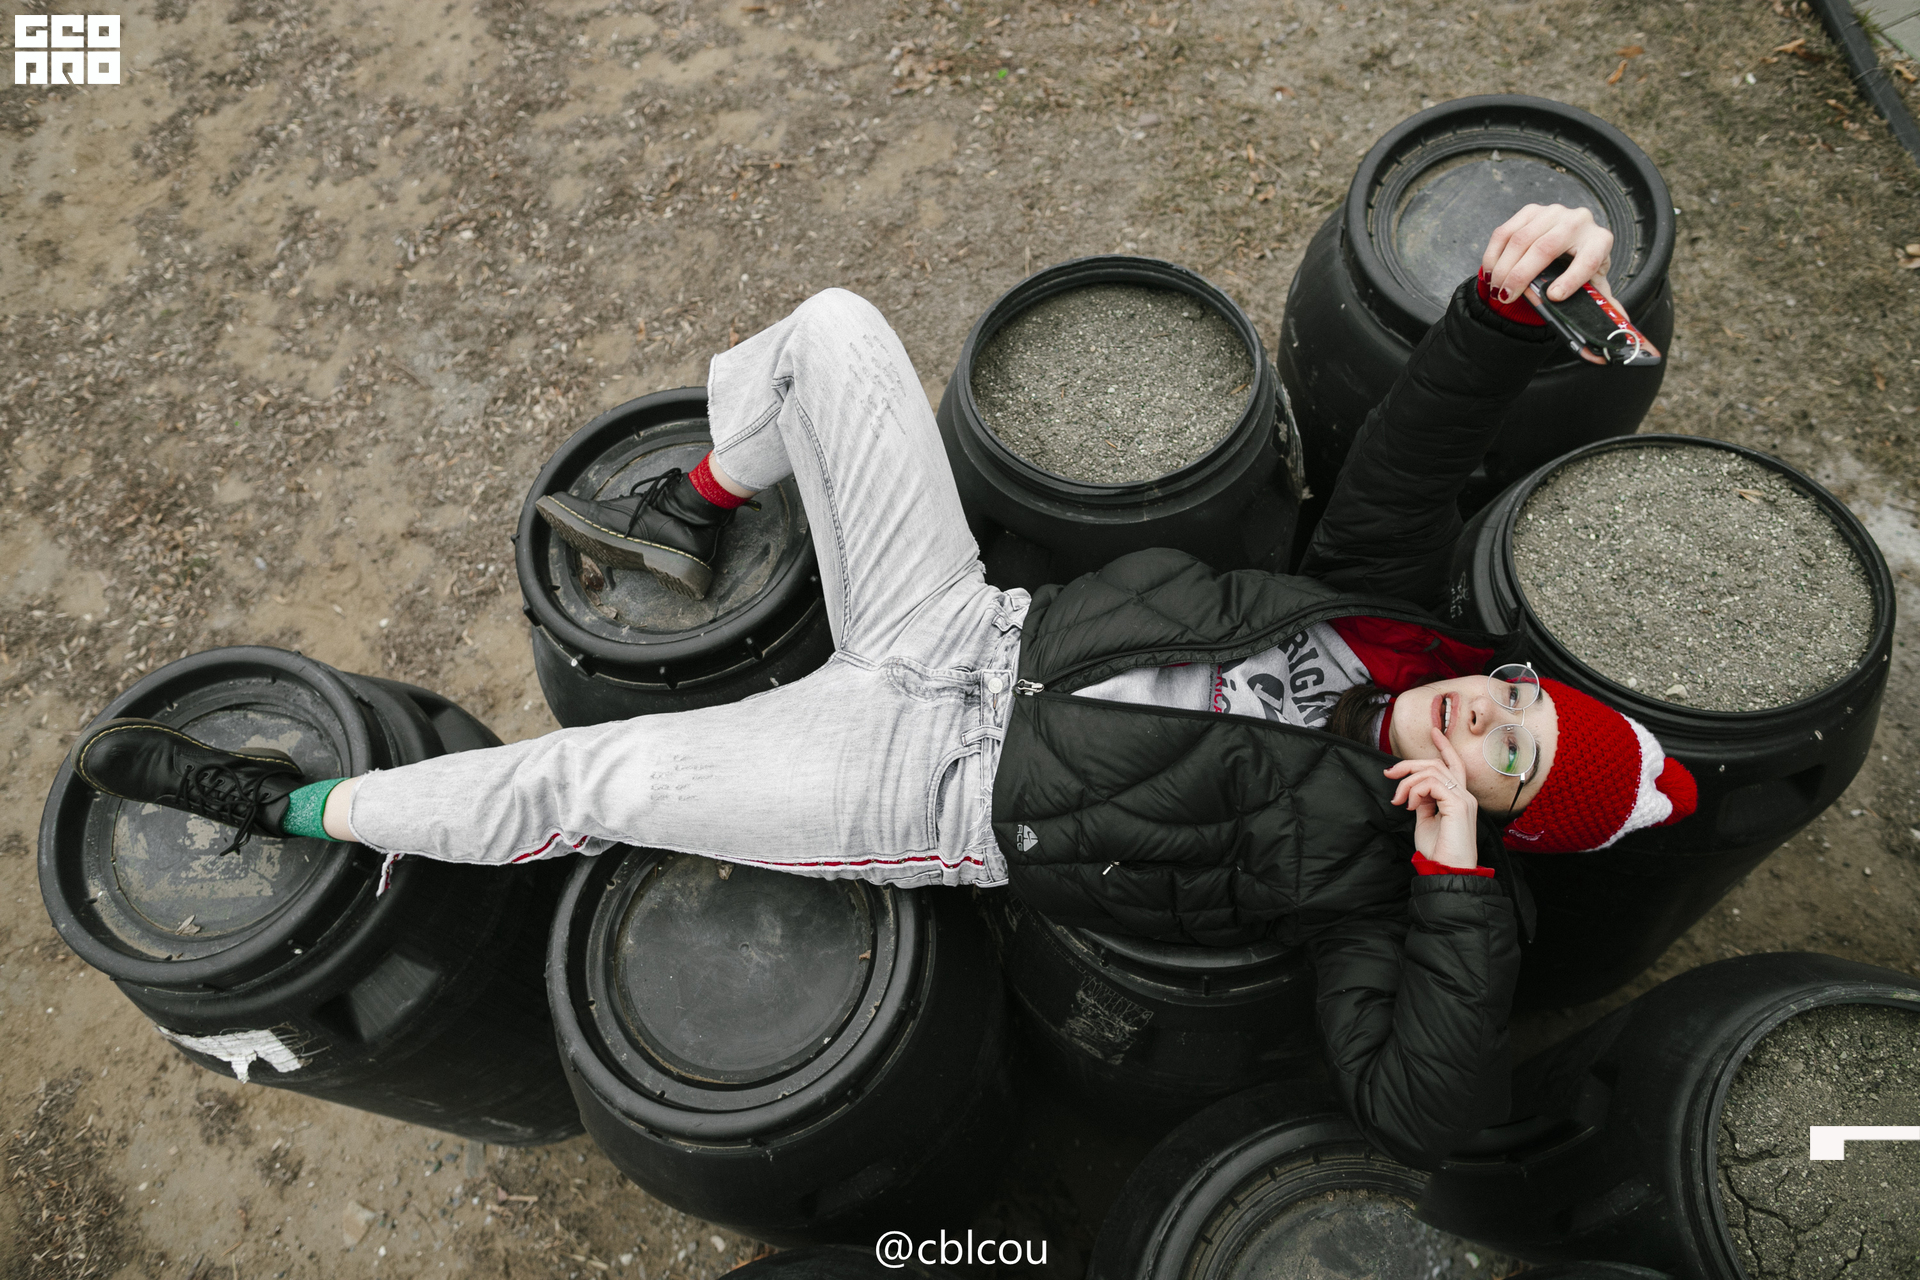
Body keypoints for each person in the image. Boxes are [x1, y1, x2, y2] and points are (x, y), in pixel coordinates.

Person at [66, 203, 1695, 1167]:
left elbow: (1418, 1105)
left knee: (596, 783)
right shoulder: (1390, 620)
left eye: (1508, 762)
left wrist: (1450, 880)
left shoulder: (1373, 894)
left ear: (1486, 818)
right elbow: (1413, 449)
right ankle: (695, 502)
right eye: (1519, 703)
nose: (1487, 720)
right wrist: (1502, 303)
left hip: (921, 784)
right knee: (838, 330)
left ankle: (291, 804)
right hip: (963, 629)